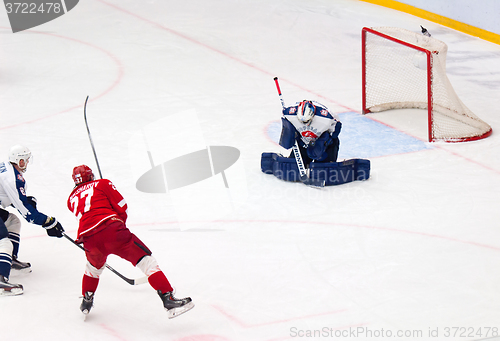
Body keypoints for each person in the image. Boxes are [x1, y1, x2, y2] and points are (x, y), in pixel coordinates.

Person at [67, 165, 194, 319]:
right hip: (112, 230)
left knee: (92, 269)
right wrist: (120, 224)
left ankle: (87, 300)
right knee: (146, 261)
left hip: (89, 240)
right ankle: (168, 298)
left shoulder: (71, 198)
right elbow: (122, 205)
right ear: (90, 176)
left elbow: (88, 212)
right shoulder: (102, 183)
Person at [0, 145, 65, 296]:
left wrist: (27, 202)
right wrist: (48, 222)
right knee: (3, 241)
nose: (27, 163)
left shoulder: (7, 168)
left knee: (12, 222)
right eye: (26, 160)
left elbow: (15, 201)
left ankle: (9, 259)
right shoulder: (12, 178)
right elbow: (26, 212)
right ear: (20, 161)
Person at [281, 100, 342, 167]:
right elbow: (285, 118)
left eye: (307, 121)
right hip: (303, 142)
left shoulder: (326, 117)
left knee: (322, 171)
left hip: (323, 144)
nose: (305, 124)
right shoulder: (289, 113)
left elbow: (336, 128)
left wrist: (325, 141)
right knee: (293, 168)